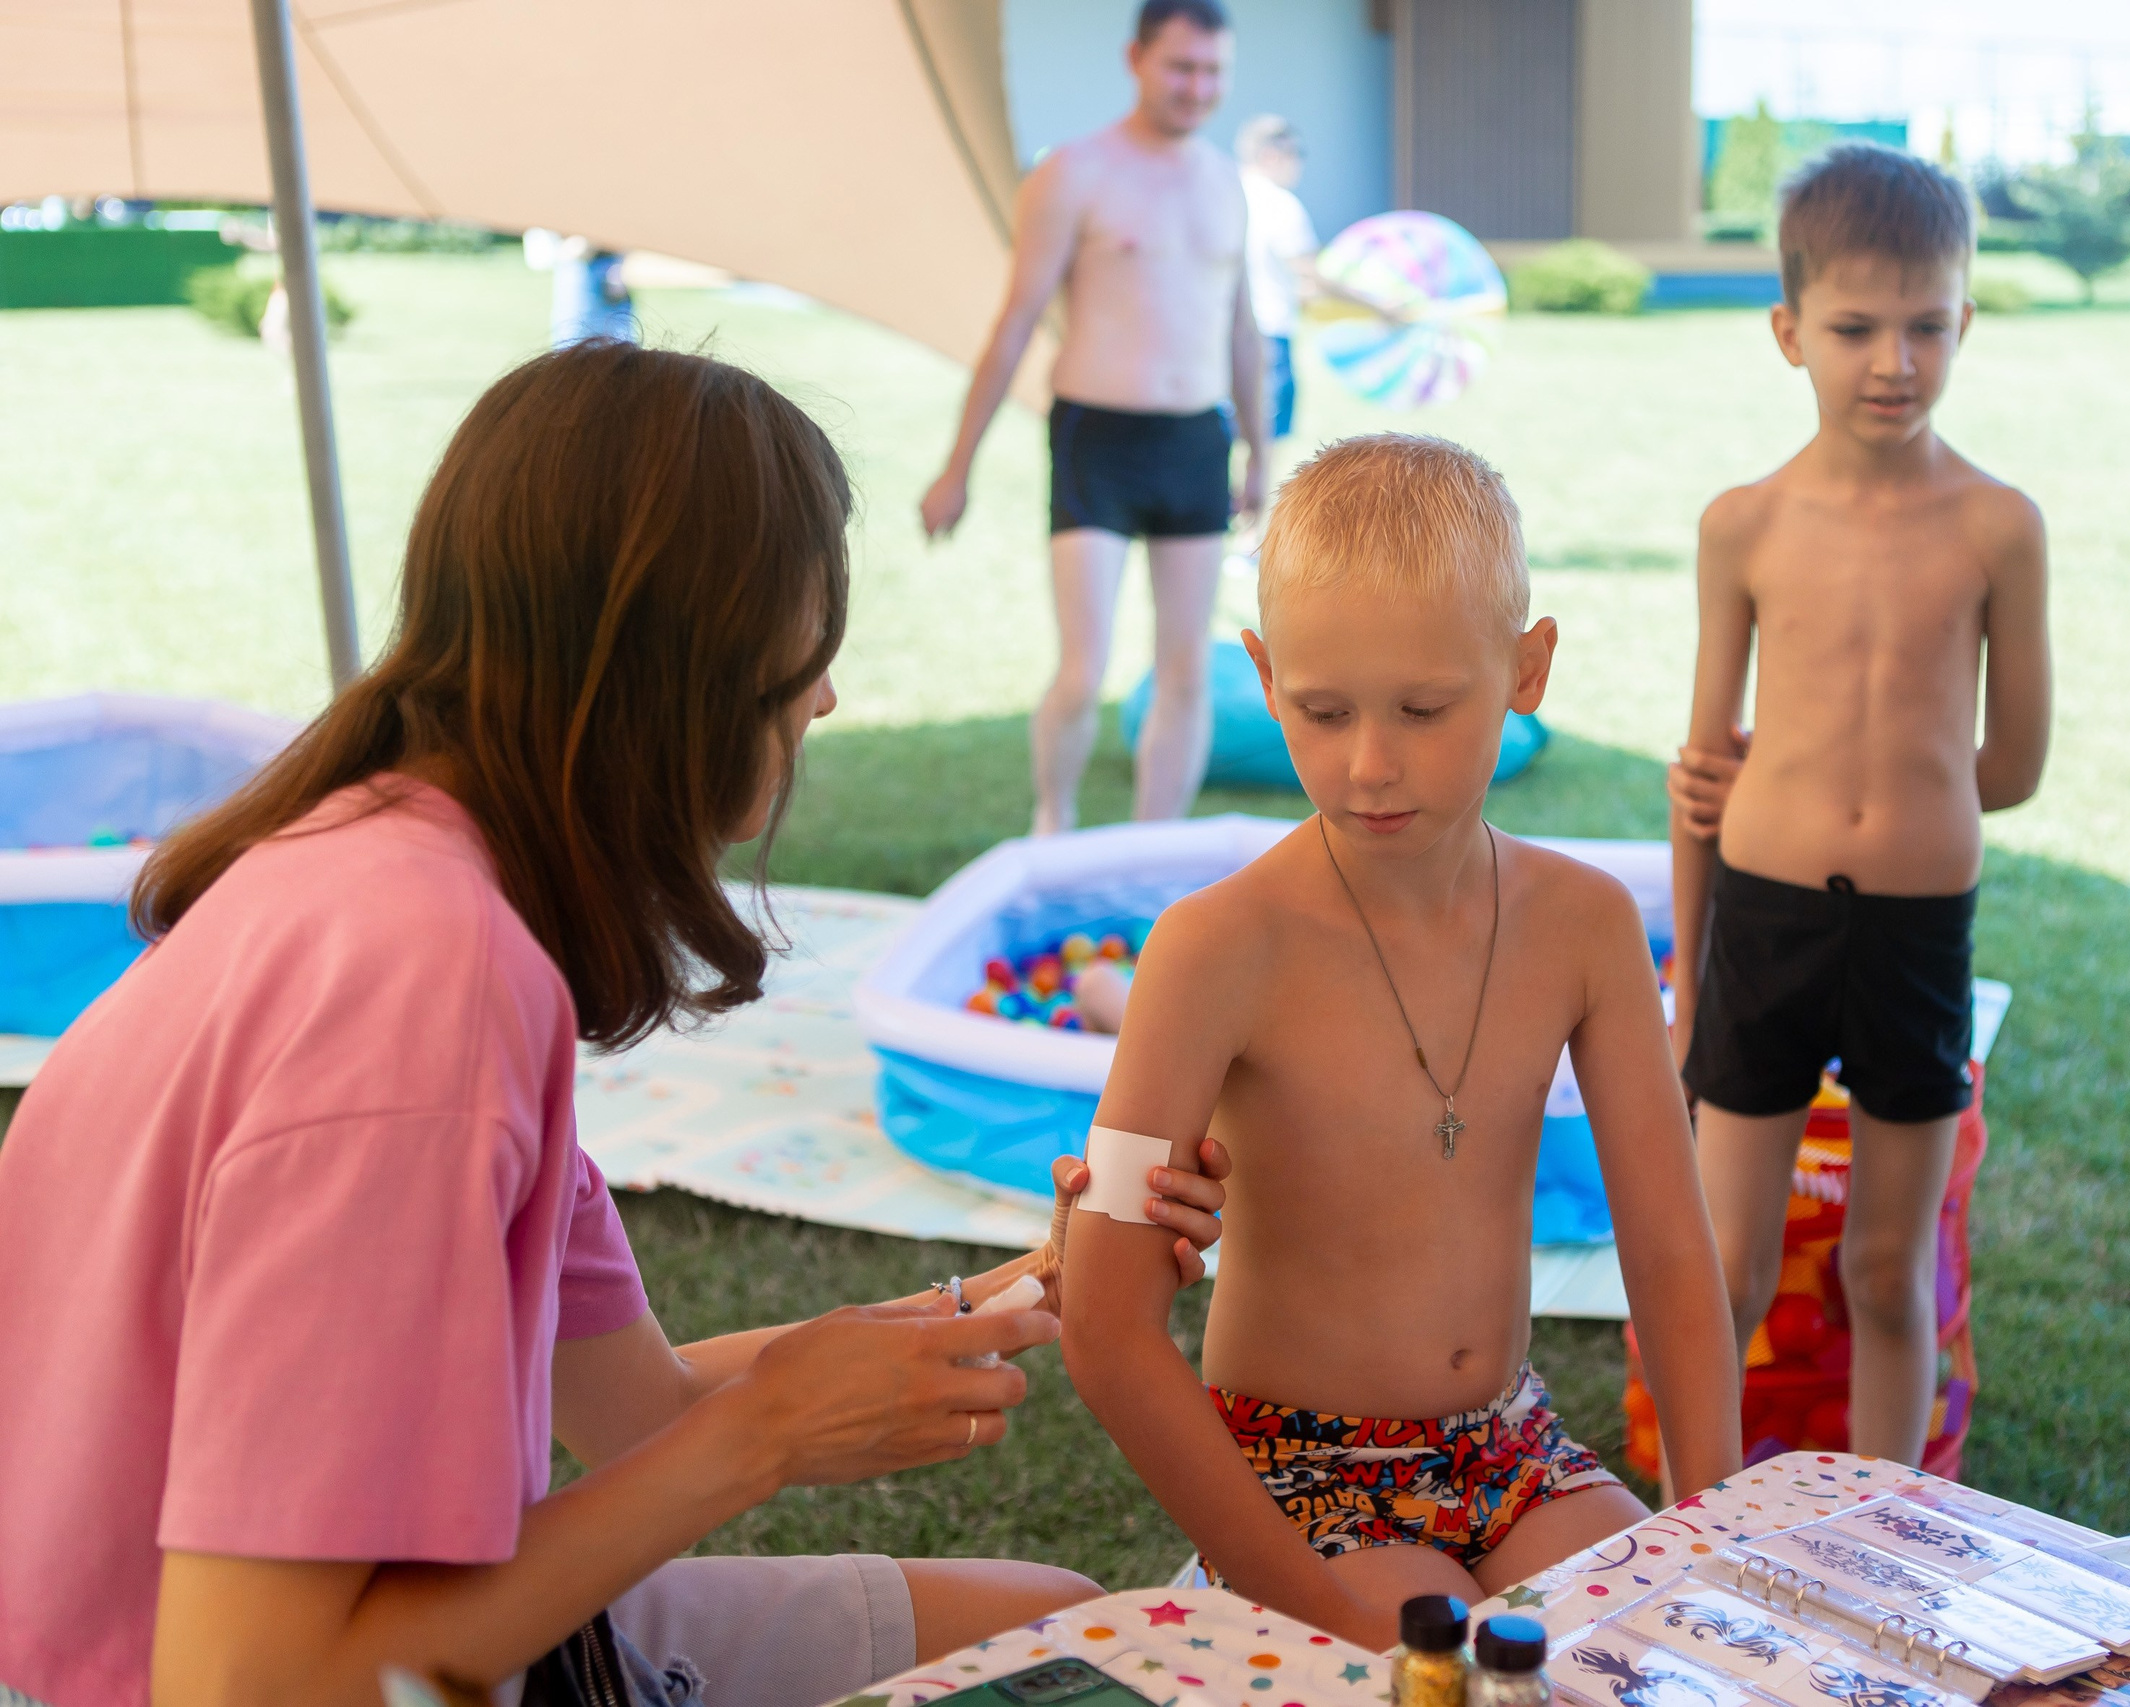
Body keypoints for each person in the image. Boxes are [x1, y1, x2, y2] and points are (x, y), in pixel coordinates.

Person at [0, 342, 1238, 1707]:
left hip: (404, 1624)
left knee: (1075, 1637)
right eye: (804, 647)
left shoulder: (387, 866)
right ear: (691, 668)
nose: (824, 696)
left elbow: (631, 1406)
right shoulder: (422, 988)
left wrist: (1023, 1287)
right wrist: (765, 1436)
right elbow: (250, 1683)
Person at [1060, 433, 1744, 1651]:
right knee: (1447, 1685)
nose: (1369, 764)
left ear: (1527, 670)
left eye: (1425, 710)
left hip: (1512, 1444)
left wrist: (1709, 1528)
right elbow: (1105, 1323)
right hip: (1297, 1475)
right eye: (1321, 712)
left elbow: (1673, 1257)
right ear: (1263, 678)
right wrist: (1309, 1601)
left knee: (1654, 1659)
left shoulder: (1583, 925)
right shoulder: (1214, 949)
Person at [1663, 144, 2051, 1467]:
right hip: (1765, 924)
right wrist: (1685, 983)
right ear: (1789, 332)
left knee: (1888, 1271)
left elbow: (2014, 765)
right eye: (1855, 327)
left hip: (1917, 934)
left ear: (1964, 322)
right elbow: (1704, 772)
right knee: (1729, 1264)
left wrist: (1900, 788)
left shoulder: (1999, 523)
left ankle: (1886, 1531)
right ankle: (1688, 1535)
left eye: (1927, 326)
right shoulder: (1745, 524)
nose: (1894, 359)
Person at [920, 0, 1267, 835]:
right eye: (1181, 67)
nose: (1197, 87)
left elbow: (1242, 327)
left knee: (1183, 670)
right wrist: (956, 466)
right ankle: (1054, 824)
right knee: (1083, 670)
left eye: (1212, 71)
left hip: (1194, 439)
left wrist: (1260, 452)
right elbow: (1013, 324)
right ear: (1136, 60)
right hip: (1096, 439)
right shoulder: (1075, 173)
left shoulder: (1225, 183)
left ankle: (1154, 849)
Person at [1236, 114, 1319, 442]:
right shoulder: (1283, 205)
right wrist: (1377, 304)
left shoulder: (1225, 193)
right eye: (1297, 153)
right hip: (1269, 337)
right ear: (1271, 155)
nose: (1299, 163)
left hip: (1221, 333)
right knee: (1265, 444)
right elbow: (1311, 276)